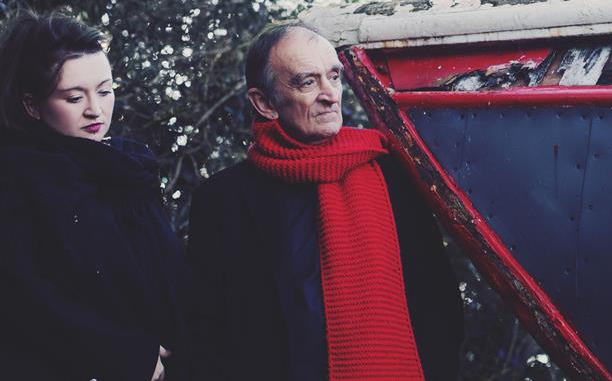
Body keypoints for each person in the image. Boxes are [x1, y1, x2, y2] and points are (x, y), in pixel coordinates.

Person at [188, 23, 464, 380]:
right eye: (307, 82)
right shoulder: (222, 201)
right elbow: (205, 332)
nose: (330, 94)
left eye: (333, 77)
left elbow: (437, 304)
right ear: (264, 103)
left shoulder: (393, 172)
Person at [0, 11, 188, 381]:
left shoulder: (128, 168)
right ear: (32, 105)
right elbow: (20, 297)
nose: (95, 109)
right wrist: (127, 354)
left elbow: (165, 275)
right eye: (74, 97)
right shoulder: (5, 177)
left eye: (106, 91)